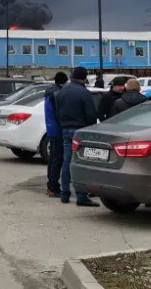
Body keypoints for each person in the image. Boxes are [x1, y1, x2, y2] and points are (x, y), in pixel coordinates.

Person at [55, 67, 99, 207]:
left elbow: (58, 111)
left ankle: (65, 194)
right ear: (84, 77)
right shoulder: (84, 93)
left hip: (65, 129)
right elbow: (91, 116)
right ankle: (81, 196)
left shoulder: (61, 92)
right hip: (80, 131)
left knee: (67, 161)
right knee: (81, 163)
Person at [43, 72, 68, 197]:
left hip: (50, 129)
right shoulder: (57, 93)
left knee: (53, 159)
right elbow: (59, 113)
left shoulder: (49, 92)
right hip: (58, 130)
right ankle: (53, 187)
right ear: (63, 82)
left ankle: (51, 185)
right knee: (57, 159)